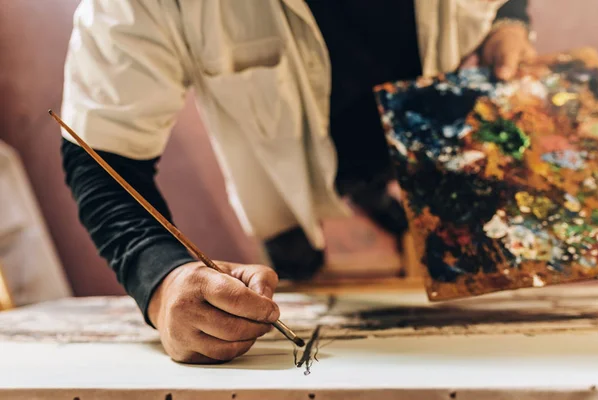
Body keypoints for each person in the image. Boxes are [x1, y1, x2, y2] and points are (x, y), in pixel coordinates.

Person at [60, 0, 535, 364]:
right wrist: (162, 278)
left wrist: (509, 21)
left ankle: (374, 198)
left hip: (431, 168)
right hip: (287, 199)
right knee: (291, 277)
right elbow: (101, 153)